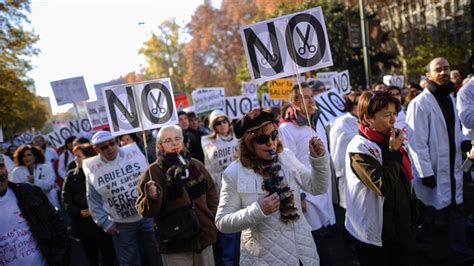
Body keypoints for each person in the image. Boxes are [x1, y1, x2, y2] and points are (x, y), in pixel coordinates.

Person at [215, 109, 328, 265]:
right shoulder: (234, 172)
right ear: (249, 144)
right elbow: (222, 222)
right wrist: (258, 210)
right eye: (262, 139)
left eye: (274, 135)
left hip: (303, 254)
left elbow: (317, 188)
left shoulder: (286, 156)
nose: (271, 143)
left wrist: (318, 159)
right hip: (264, 260)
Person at [406, 57, 474, 264]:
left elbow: (453, 131)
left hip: (452, 172)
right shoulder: (420, 104)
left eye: (446, 68)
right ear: (428, 75)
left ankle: (459, 254)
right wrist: (425, 173)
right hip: (434, 174)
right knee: (432, 219)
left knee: (454, 213)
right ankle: (430, 255)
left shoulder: (449, 99)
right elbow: (416, 143)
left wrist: (464, 142)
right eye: (438, 69)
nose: (444, 72)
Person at [345, 91, 416, 266]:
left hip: (399, 228)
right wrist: (393, 153)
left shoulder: (389, 140)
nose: (393, 120)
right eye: (386, 115)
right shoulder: (360, 147)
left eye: (394, 114)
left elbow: (403, 181)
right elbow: (382, 185)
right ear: (368, 118)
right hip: (377, 234)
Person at [136, 125, 218, 266]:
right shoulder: (153, 172)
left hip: (204, 238)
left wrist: (211, 217)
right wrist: (152, 197)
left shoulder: (196, 165)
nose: (174, 143)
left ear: (183, 142)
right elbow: (145, 211)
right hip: (175, 243)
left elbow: (212, 194)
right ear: (160, 146)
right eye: (168, 140)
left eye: (177, 138)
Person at [279, 83, 336, 266]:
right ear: (295, 103)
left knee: (327, 235)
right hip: (306, 192)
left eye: (312, 96)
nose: (311, 100)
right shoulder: (287, 129)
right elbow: (288, 163)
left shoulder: (317, 121)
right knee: (314, 240)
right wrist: (300, 196)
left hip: (323, 189)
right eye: (306, 97)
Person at [83, 131, 160, 266]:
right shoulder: (93, 170)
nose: (110, 148)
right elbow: (93, 200)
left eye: (112, 143)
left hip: (147, 217)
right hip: (121, 225)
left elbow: (151, 179)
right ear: (96, 149)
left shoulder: (135, 155)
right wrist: (105, 224)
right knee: (130, 261)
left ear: (117, 141)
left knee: (156, 254)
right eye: (104, 147)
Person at [0, 154, 70, 266]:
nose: (0, 173)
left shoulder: (29, 192)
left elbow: (57, 224)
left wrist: (59, 257)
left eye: (1, 166)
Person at [62, 143, 116, 266]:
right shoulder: (71, 175)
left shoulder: (101, 171)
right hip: (83, 225)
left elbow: (110, 193)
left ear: (89, 157)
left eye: (79, 156)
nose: (76, 159)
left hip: (104, 223)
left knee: (108, 256)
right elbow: (65, 199)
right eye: (74, 156)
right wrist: (78, 212)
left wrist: (95, 209)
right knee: (91, 257)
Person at [201, 110, 240, 265]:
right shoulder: (208, 143)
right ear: (213, 127)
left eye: (224, 121)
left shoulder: (239, 138)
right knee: (229, 243)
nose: (222, 124)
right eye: (218, 122)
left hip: (243, 193)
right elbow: (208, 171)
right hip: (223, 196)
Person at [329, 91, 361, 209]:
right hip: (347, 172)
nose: (361, 105)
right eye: (357, 102)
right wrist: (340, 173)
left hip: (363, 172)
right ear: (350, 105)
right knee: (350, 209)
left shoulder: (365, 120)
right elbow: (335, 149)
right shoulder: (342, 122)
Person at [10, 144, 61, 209]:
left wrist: (35, 181)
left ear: (35, 156)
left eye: (29, 155)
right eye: (24, 156)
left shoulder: (45, 167)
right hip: (30, 207)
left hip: (49, 204)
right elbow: (15, 191)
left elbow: (50, 185)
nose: (26, 158)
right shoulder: (16, 172)